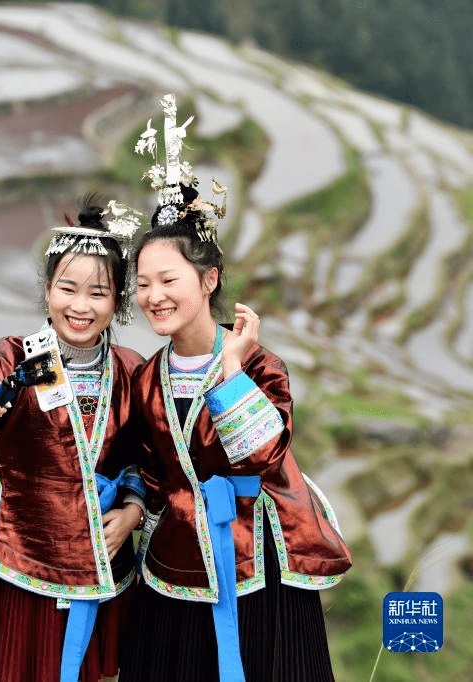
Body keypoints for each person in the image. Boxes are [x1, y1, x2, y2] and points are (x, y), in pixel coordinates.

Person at [118, 94, 352, 682]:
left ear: (209, 279)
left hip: (262, 556)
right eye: (143, 283)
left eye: (168, 279)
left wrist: (229, 373)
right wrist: (131, 507)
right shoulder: (146, 379)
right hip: (177, 556)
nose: (153, 296)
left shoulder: (260, 365)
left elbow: (267, 456)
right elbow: (148, 472)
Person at [0, 197, 148, 682]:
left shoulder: (131, 371)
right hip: (22, 557)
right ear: (47, 290)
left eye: (98, 293)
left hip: (104, 565)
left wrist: (131, 512)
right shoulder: (13, 358)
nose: (80, 306)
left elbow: (143, 461)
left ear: (118, 301)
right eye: (67, 288)